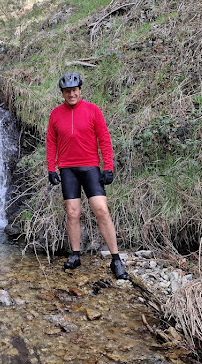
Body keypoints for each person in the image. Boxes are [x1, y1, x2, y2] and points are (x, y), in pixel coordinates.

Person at [46, 72, 128, 279]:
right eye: (67, 91)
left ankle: (116, 259)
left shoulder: (93, 110)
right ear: (62, 93)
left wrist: (108, 167)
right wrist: (51, 168)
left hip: (90, 166)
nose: (71, 94)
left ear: (80, 90)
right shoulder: (55, 114)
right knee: (72, 213)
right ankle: (75, 255)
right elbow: (51, 143)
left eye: (74, 90)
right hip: (68, 169)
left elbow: (104, 139)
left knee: (101, 210)